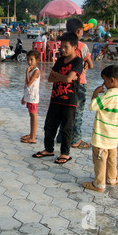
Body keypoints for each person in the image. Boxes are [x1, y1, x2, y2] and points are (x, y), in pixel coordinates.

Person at [33, 32, 83, 164]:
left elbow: (67, 79)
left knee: (67, 128)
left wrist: (60, 77)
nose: (63, 49)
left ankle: (65, 153)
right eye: (62, 47)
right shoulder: (60, 60)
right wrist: (65, 78)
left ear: (74, 47)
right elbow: (50, 78)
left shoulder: (78, 61)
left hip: (69, 101)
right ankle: (48, 149)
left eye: (66, 47)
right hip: (55, 98)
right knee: (49, 125)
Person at [82, 65, 118, 192]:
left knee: (100, 160)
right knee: (112, 159)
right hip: (114, 136)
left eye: (105, 80)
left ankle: (98, 184)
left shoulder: (107, 96)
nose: (104, 83)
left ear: (112, 80)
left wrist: (95, 93)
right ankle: (111, 179)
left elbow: (92, 106)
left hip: (101, 137)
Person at [57, 19, 93, 149]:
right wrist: (86, 64)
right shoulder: (82, 46)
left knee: (65, 111)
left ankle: (61, 136)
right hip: (79, 84)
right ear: (78, 31)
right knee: (77, 113)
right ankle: (76, 139)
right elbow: (91, 64)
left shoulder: (64, 45)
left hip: (65, 83)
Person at [20, 50, 40, 144]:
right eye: (28, 59)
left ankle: (33, 137)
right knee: (31, 115)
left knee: (33, 116)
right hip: (29, 97)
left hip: (33, 98)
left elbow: (29, 83)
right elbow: (26, 86)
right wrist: (24, 97)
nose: (29, 62)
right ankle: (31, 133)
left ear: (37, 60)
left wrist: (27, 73)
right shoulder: (31, 70)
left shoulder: (35, 71)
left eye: (31, 60)